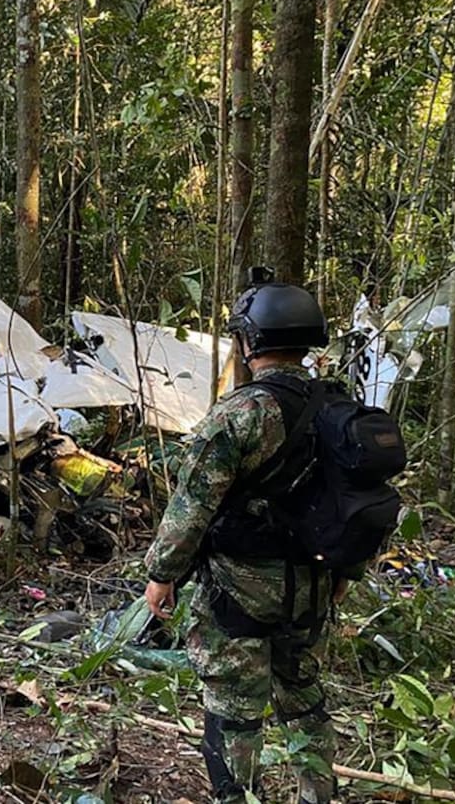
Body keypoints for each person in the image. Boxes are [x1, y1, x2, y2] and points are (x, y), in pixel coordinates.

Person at [143, 278, 355, 804]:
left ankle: (237, 798)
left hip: (239, 590)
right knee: (303, 696)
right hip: (314, 584)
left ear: (250, 342)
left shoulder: (241, 414)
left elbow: (191, 507)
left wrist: (161, 575)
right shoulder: (338, 409)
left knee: (234, 709)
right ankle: (317, 795)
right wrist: (347, 574)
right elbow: (360, 502)